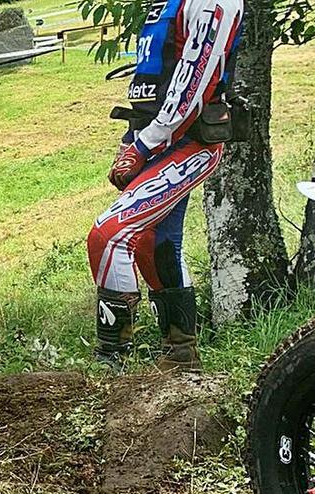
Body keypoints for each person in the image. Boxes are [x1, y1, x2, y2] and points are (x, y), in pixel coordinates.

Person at [85, 0, 243, 371]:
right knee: (153, 244)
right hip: (155, 137)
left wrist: (142, 146)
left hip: (190, 142)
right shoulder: (165, 3)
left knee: (109, 236)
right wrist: (131, 140)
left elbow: (194, 83)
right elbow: (153, 77)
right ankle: (181, 357)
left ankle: (112, 364)